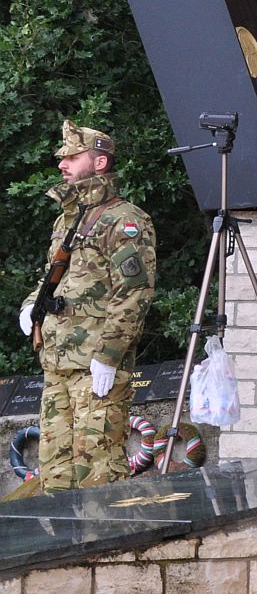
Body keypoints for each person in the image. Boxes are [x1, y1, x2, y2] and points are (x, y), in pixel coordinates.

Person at [16, 121, 158, 491]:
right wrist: (32, 305)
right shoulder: (67, 220)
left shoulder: (124, 221)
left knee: (98, 469)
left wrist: (109, 356)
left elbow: (134, 293)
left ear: (99, 163)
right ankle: (66, 549)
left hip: (95, 366)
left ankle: (106, 547)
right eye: (62, 158)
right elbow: (55, 276)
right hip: (58, 363)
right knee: (55, 471)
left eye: (72, 157)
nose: (62, 164)